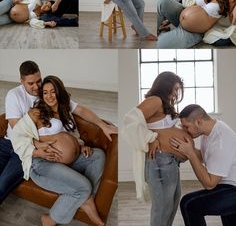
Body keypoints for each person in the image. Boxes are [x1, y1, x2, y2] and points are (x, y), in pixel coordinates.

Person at [0, 60, 117, 205]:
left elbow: (78, 110)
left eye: (38, 81)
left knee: (3, 183)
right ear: (22, 81)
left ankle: (85, 198)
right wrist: (36, 146)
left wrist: (102, 125)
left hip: (24, 153)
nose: (36, 87)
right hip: (11, 143)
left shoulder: (47, 92)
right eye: (31, 83)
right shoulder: (14, 95)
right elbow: (16, 128)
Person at [12, 75, 109, 226]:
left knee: (98, 156)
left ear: (59, 91)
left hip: (67, 161)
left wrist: (80, 145)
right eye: (45, 92)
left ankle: (83, 198)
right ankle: (50, 219)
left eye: (53, 91)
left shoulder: (65, 109)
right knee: (84, 186)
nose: (49, 96)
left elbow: (70, 133)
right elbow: (16, 136)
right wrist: (37, 149)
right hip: (43, 164)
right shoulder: (37, 113)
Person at [123, 72, 193, 226]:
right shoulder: (155, 101)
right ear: (165, 85)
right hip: (158, 161)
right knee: (162, 207)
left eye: (178, 90)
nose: (176, 93)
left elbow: (161, 127)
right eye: (174, 89)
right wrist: (150, 137)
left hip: (170, 161)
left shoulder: (166, 103)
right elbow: (129, 121)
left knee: (173, 202)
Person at [170, 104, 236, 226]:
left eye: (186, 127)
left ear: (198, 122)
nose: (184, 130)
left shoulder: (221, 140)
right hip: (226, 185)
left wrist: (190, 153)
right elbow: (205, 157)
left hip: (232, 189)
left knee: (189, 204)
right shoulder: (209, 132)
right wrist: (188, 148)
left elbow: (209, 184)